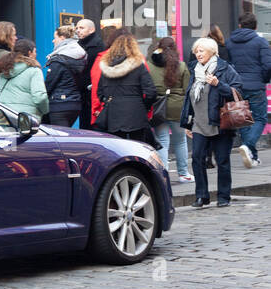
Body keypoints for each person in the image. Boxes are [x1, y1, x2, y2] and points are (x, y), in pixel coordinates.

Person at [181, 36, 243, 208]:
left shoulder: (225, 69)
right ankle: (202, 196)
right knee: (197, 159)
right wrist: (187, 123)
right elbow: (190, 97)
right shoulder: (195, 71)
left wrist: (218, 84)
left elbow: (237, 91)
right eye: (196, 51)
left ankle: (224, 196)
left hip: (220, 122)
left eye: (201, 51)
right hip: (199, 123)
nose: (198, 54)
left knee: (222, 160)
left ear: (211, 52)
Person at [225, 10, 271, 168]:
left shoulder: (229, 42)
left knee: (243, 120)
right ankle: (249, 145)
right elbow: (268, 65)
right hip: (256, 85)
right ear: (255, 26)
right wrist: (264, 80)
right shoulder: (261, 42)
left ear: (239, 25)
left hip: (237, 86)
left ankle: (252, 157)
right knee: (260, 118)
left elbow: (226, 65)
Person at [96, 33, 157, 142]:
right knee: (138, 147)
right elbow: (151, 92)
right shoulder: (138, 66)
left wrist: (108, 103)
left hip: (113, 114)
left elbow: (99, 92)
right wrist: (144, 106)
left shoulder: (106, 68)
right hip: (136, 112)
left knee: (118, 148)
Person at [147, 37, 192, 181]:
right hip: (177, 107)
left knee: (162, 140)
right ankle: (183, 174)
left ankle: (163, 176)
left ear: (158, 47)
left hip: (158, 107)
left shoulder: (150, 65)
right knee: (180, 140)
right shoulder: (182, 65)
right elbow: (187, 90)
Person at [0, 38, 49, 118]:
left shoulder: (6, 69)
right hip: (27, 118)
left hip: (6, 116)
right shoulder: (34, 71)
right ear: (30, 53)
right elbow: (40, 97)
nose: (36, 54)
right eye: (35, 51)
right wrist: (45, 111)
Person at [44, 24, 87, 127]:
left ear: (62, 38)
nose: (53, 41)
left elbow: (49, 85)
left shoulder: (59, 59)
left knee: (59, 137)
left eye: (55, 38)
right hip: (75, 104)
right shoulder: (81, 57)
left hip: (59, 104)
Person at [75, 18, 105, 127]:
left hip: (93, 93)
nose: (78, 30)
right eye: (77, 28)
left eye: (81, 28)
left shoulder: (99, 46)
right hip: (82, 93)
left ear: (91, 30)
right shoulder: (77, 46)